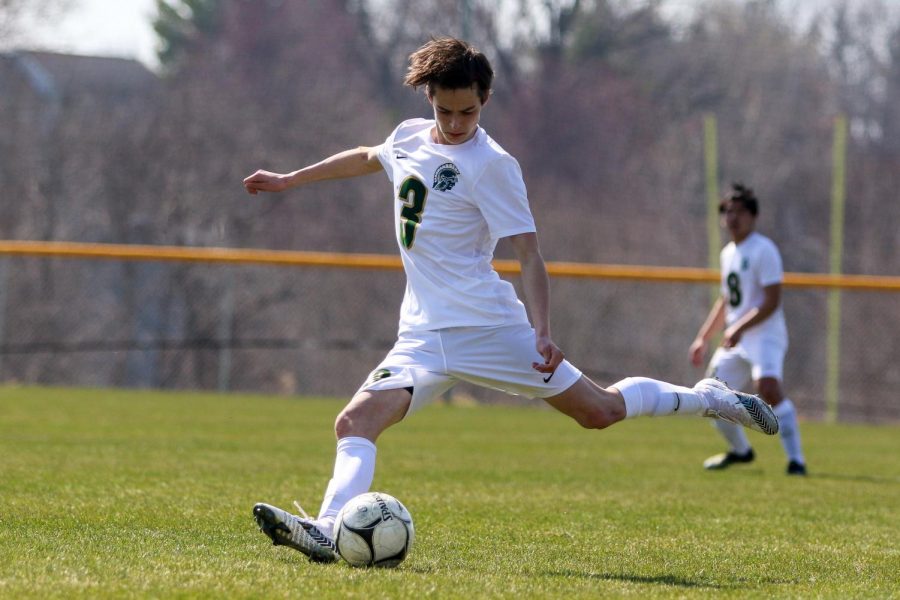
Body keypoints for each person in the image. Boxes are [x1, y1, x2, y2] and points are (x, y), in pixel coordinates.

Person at [243, 38, 779, 563]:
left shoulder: (492, 164)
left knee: (601, 411)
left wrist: (542, 331)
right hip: (422, 336)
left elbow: (529, 254)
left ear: (485, 100)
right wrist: (292, 179)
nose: (456, 124)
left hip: (490, 328)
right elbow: (366, 157)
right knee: (353, 424)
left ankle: (708, 396)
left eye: (468, 112)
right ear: (429, 96)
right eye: (446, 110)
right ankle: (327, 529)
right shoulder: (408, 137)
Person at [689, 183, 807, 476]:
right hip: (737, 337)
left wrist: (740, 327)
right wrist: (703, 338)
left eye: (740, 211)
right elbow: (726, 302)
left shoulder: (764, 249)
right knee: (710, 395)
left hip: (765, 334)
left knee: (768, 388)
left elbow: (772, 301)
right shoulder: (728, 253)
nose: (733, 217)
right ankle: (741, 451)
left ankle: (797, 461)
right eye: (728, 211)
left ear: (753, 216)